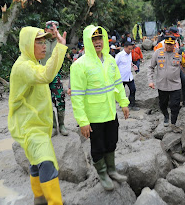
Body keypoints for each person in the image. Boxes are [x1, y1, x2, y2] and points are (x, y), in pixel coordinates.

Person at [8, 24, 67, 204]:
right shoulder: (23, 67)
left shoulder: (34, 63)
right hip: (29, 126)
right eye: (39, 42)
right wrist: (60, 48)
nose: (44, 46)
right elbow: (46, 76)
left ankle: (39, 198)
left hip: (38, 125)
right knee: (47, 161)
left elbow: (47, 73)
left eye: (45, 42)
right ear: (27, 44)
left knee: (36, 162)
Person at [70, 25, 130, 191]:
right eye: (94, 39)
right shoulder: (79, 65)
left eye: (100, 38)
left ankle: (111, 169)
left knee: (112, 142)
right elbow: (77, 96)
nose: (98, 42)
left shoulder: (110, 60)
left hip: (111, 112)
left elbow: (117, 83)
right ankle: (102, 173)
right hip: (94, 116)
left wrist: (123, 103)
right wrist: (82, 121)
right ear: (88, 42)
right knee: (98, 147)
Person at [148, 35, 185, 132]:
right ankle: (166, 116)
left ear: (174, 44)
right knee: (162, 104)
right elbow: (151, 67)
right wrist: (150, 81)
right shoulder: (158, 52)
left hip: (175, 85)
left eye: (171, 45)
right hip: (162, 85)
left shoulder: (179, 53)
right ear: (165, 43)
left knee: (175, 105)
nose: (169, 46)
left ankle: (173, 123)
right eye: (167, 44)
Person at [40, 20, 68, 136]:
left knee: (60, 99)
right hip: (42, 75)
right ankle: (53, 126)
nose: (53, 32)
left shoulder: (59, 41)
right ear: (46, 30)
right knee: (46, 102)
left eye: (55, 29)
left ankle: (62, 125)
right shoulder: (41, 41)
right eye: (51, 29)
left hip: (55, 76)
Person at [116, 41, 140, 111]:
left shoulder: (129, 54)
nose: (130, 51)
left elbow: (129, 62)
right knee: (121, 92)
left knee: (133, 90)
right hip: (121, 77)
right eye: (129, 49)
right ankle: (122, 105)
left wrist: (133, 65)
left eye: (131, 49)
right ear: (125, 47)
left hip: (129, 76)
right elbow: (114, 65)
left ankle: (132, 105)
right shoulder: (119, 55)